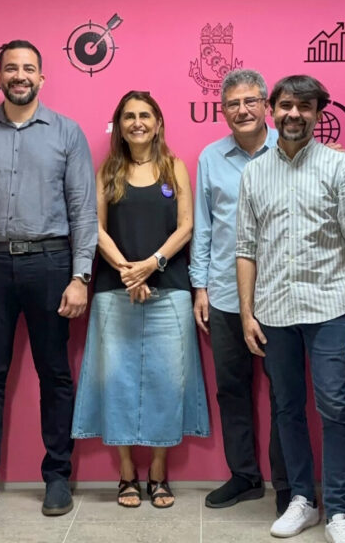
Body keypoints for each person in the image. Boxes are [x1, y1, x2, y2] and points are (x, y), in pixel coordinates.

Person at [0, 39, 98, 518]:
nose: (19, 76)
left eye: (28, 68)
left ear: (41, 76)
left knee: (55, 374)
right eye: (11, 68)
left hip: (50, 264)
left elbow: (83, 209)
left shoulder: (67, 133)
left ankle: (57, 476)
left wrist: (80, 276)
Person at [237, 75, 345, 543]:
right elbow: (246, 249)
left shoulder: (341, 167)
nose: (294, 114)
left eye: (305, 107)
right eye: (286, 105)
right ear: (271, 110)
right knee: (287, 409)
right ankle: (302, 499)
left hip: (331, 309)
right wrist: (247, 313)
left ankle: (339, 510)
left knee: (334, 407)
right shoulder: (254, 173)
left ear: (319, 113)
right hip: (273, 312)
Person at [71, 90, 210, 509]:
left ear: (157, 122)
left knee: (168, 382)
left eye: (144, 115)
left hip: (169, 291)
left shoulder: (175, 168)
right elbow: (94, 228)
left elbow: (187, 227)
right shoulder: (108, 170)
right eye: (129, 116)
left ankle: (159, 473)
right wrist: (128, 271)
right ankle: (127, 474)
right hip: (116, 292)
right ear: (120, 124)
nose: (137, 122)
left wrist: (151, 264)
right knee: (117, 382)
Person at [190, 69, 290, 515]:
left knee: (284, 392)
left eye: (250, 102)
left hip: (282, 296)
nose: (242, 110)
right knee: (232, 389)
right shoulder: (211, 157)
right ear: (223, 110)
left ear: (265, 106)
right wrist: (200, 287)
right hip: (227, 295)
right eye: (233, 104)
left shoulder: (290, 151)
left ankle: (290, 486)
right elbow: (204, 228)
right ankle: (245, 476)